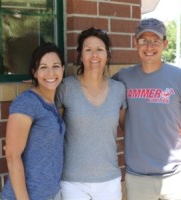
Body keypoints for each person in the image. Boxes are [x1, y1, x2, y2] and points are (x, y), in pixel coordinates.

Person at [113, 18, 181, 200]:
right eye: (143, 41)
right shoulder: (123, 78)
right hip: (137, 178)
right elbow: (103, 95)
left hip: (175, 176)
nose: (149, 47)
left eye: (155, 41)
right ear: (135, 43)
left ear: (164, 44)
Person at [55, 27, 127, 200]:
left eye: (99, 50)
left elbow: (129, 127)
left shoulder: (119, 90)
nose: (94, 55)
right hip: (72, 182)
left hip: (109, 181)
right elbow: (52, 128)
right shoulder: (66, 87)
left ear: (107, 55)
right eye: (88, 50)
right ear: (81, 56)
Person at [0, 43, 66, 200]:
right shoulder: (27, 102)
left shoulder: (52, 103)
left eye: (55, 66)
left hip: (51, 194)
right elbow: (12, 155)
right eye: (43, 67)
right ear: (34, 72)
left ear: (63, 69)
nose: (50, 72)